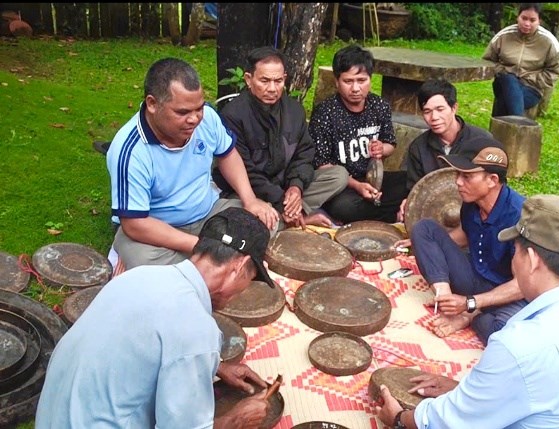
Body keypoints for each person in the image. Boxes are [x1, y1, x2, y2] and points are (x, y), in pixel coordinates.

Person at [377, 195, 559, 429]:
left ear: (533, 260)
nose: (513, 260)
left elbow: (444, 423)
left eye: (515, 251)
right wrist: (465, 393)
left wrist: (400, 418)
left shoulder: (518, 345)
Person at [36, 207, 277, 428]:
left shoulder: (138, 276)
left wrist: (216, 366)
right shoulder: (196, 328)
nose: (244, 290)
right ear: (238, 266)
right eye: (250, 278)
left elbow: (140, 349)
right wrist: (236, 420)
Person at [106, 57, 279, 271]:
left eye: (199, 108)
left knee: (265, 220)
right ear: (152, 104)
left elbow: (228, 154)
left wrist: (250, 199)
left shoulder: (207, 119)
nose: (195, 119)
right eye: (182, 112)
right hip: (157, 229)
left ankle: (201, 268)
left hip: (208, 213)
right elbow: (135, 224)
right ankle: (219, 265)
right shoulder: (130, 150)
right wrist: (202, 246)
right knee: (143, 259)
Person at [395, 137, 527, 345]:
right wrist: (430, 247)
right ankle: (446, 302)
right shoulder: (471, 202)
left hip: (504, 292)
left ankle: (469, 315)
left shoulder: (520, 216)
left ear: (492, 180)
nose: (458, 181)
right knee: (424, 229)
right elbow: (468, 233)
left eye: (467, 176)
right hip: (472, 279)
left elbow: (522, 285)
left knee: (498, 333)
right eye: (458, 174)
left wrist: (469, 306)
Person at [212, 46, 347, 229]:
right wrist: (281, 199)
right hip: (250, 191)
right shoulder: (233, 116)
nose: (272, 89)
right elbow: (246, 172)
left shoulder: (294, 110)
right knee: (254, 216)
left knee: (338, 176)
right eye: (265, 81)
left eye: (278, 81)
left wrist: (296, 187)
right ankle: (297, 218)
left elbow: (304, 154)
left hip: (285, 184)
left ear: (284, 79)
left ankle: (289, 214)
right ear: (248, 80)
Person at [309, 44, 408, 224]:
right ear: (337, 82)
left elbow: (390, 144)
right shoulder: (325, 113)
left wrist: (381, 149)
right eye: (348, 81)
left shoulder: (379, 106)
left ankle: (382, 210)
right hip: (343, 185)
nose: (355, 88)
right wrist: (356, 185)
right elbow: (321, 164)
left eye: (361, 81)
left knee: (409, 182)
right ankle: (388, 213)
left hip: (374, 179)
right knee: (344, 208)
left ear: (370, 79)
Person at [398, 79, 493, 221]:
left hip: (478, 213)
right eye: (427, 112)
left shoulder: (482, 140)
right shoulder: (418, 147)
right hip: (437, 214)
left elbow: (496, 186)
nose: (434, 117)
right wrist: (408, 202)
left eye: (440, 109)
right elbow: (415, 189)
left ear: (454, 108)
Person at [482, 3, 559, 117]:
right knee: (509, 79)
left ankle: (502, 130)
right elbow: (487, 61)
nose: (527, 23)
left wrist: (533, 79)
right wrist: (502, 71)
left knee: (506, 101)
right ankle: (518, 124)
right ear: (517, 17)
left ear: (539, 21)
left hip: (531, 89)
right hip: (503, 83)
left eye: (532, 20)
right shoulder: (504, 36)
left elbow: (555, 71)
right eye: (524, 18)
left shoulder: (549, 42)